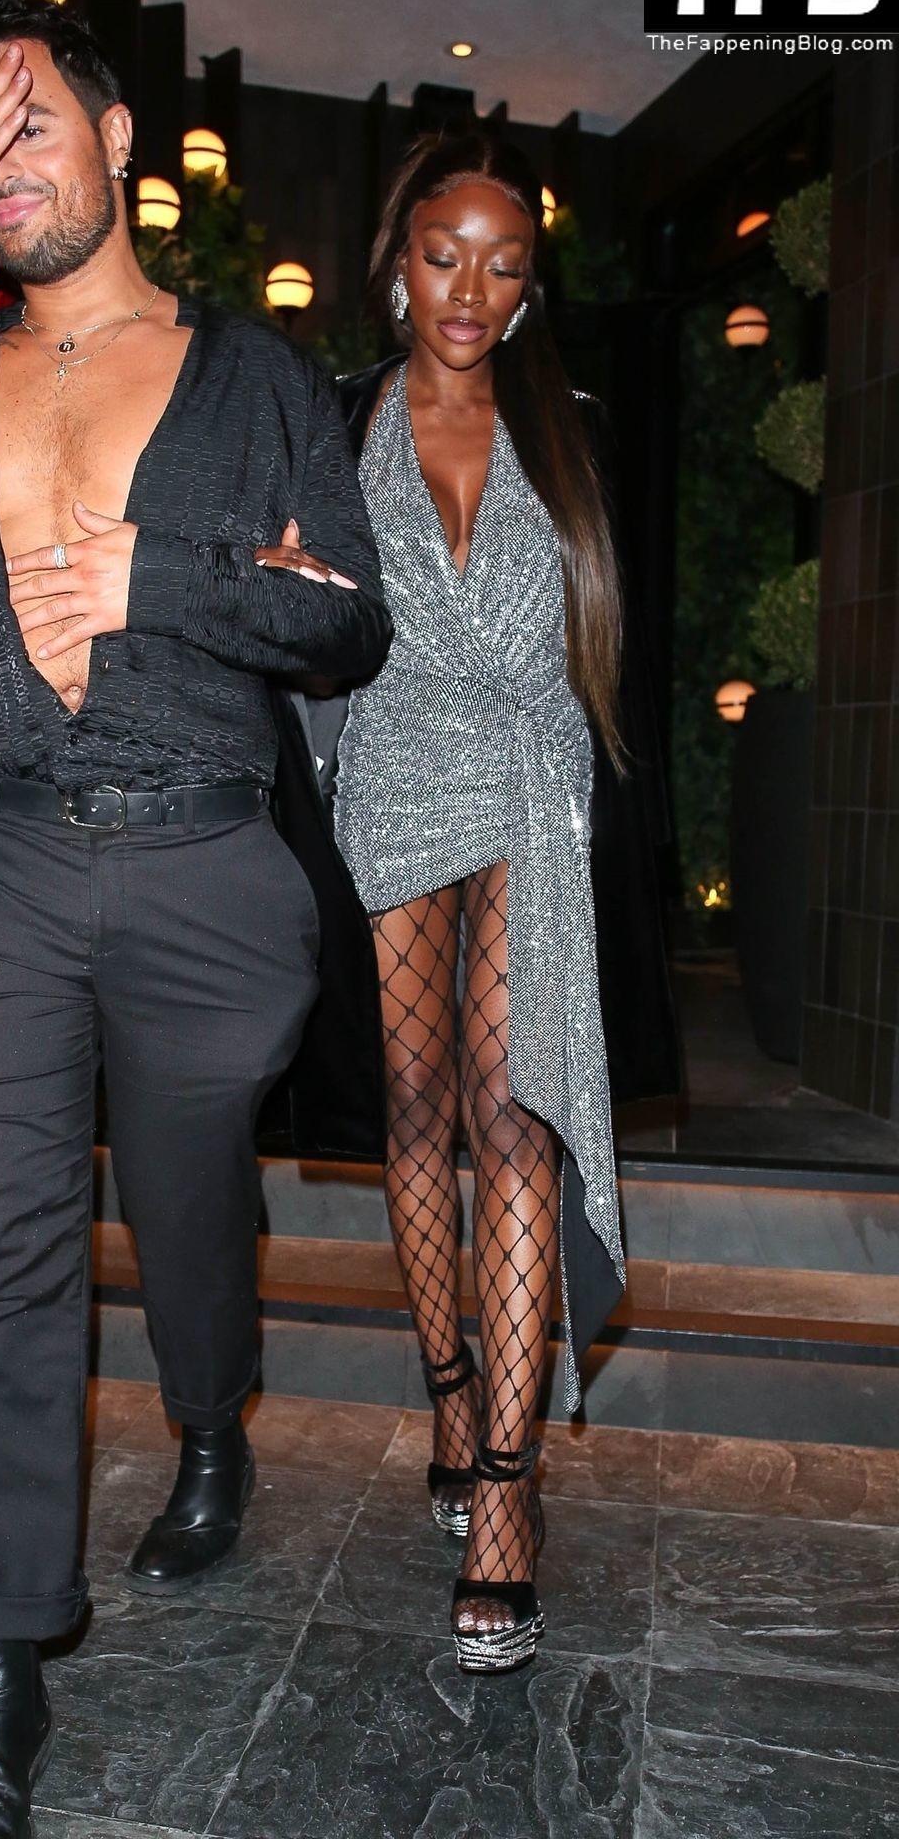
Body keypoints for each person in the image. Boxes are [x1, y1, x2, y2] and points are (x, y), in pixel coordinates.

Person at [0, 0, 390, 1839]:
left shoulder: (255, 376)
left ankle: (208, 1417)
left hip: (204, 868)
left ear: (117, 143)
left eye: (26, 121)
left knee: (188, 1211)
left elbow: (346, 618)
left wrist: (153, 574)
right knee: (5, 1266)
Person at [329, 128, 638, 1676]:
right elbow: (298, 615)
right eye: (445, 254)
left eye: (504, 265)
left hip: (528, 770)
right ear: (401, 263)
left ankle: (507, 1486)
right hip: (392, 761)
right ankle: (449, 1383)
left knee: (512, 1111)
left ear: (528, 291)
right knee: (417, 1101)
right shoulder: (336, 420)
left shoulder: (570, 433)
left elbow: (607, 642)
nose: (471, 287)